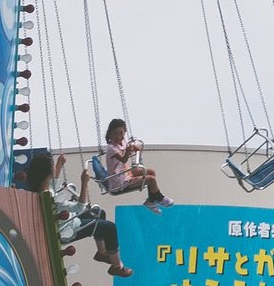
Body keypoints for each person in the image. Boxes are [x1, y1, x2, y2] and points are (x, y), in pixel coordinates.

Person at [16, 148, 128, 277]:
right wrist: (84, 183)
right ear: (47, 172)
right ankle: (117, 267)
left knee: (99, 212)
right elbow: (79, 207)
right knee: (110, 227)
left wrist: (59, 165)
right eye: (52, 166)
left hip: (67, 221)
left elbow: (53, 182)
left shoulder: (41, 190)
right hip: (69, 230)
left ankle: (101, 253)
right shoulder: (51, 197)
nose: (54, 169)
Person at [89, 118, 170, 208]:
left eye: (121, 133)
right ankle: (159, 198)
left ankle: (151, 200)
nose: (119, 137)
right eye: (116, 134)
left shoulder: (122, 142)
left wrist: (133, 147)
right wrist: (128, 151)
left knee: (151, 172)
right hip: (119, 181)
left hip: (126, 172)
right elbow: (123, 159)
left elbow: (127, 146)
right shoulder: (111, 148)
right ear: (109, 135)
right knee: (151, 179)